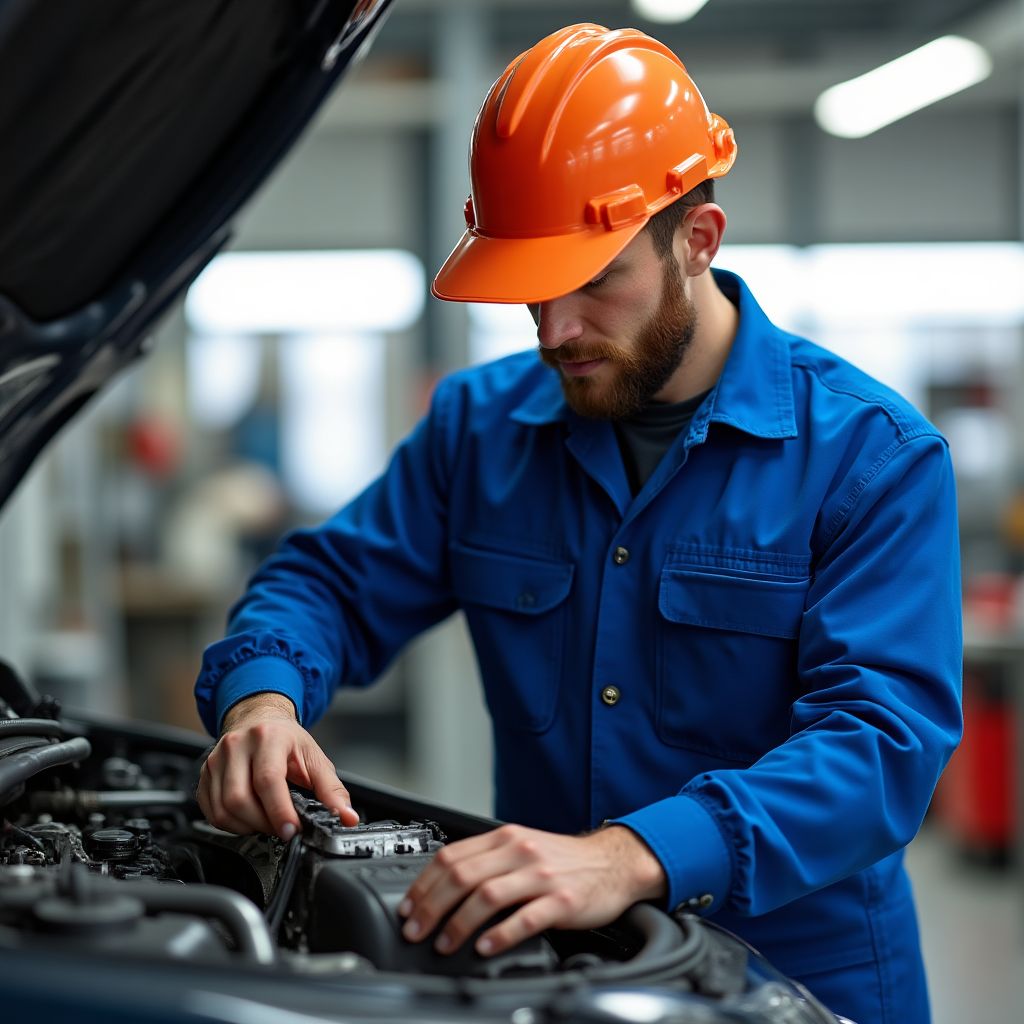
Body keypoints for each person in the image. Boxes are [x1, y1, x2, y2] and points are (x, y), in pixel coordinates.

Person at [194, 23, 962, 1024]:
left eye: (597, 281)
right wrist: (263, 698)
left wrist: (634, 854)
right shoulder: (478, 431)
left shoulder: (871, 457)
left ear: (698, 241)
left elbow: (880, 744)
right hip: (550, 972)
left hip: (800, 984)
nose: (555, 331)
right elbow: (328, 585)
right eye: (532, 290)